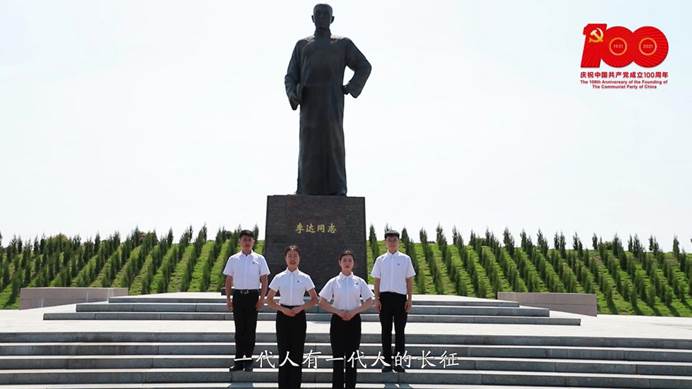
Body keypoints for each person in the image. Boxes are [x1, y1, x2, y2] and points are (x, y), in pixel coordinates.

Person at [284, 3, 372, 196]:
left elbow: (364, 66)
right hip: (309, 106)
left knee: (334, 146)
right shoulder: (302, 45)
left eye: (326, 14)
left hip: (332, 104)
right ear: (312, 18)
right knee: (308, 149)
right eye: (318, 13)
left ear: (332, 19)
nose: (322, 16)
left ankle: (338, 190)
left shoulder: (342, 44)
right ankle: (305, 190)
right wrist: (292, 94)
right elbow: (290, 76)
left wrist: (351, 87)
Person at [319, 250, 374, 389]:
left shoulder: (359, 281)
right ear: (340, 263)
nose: (347, 263)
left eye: (350, 260)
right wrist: (337, 311)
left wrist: (355, 311)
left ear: (353, 263)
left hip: (354, 321)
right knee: (338, 358)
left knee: (352, 359)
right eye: (344, 260)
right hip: (337, 321)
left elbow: (369, 300)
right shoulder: (334, 281)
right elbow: (322, 301)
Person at [266, 245, 319, 389]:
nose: (292, 258)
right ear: (285, 258)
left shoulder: (305, 277)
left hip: (298, 315)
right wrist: (282, 309)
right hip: (283, 316)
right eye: (290, 256)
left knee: (297, 352)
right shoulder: (279, 277)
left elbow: (315, 299)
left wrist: (300, 308)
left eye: (295, 256)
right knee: (283, 352)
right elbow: (269, 299)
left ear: (299, 258)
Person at [223, 229, 270, 372]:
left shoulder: (259, 259)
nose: (247, 242)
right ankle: (238, 361)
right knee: (239, 330)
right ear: (240, 242)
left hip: (252, 297)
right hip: (238, 296)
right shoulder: (233, 259)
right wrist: (228, 299)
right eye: (244, 240)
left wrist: (262, 299)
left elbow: (264, 279)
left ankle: (248, 361)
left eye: (249, 240)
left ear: (253, 242)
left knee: (250, 329)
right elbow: (229, 280)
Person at [371, 229, 415, 373]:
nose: (392, 242)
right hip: (384, 298)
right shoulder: (380, 260)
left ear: (399, 242)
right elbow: (377, 280)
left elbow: (409, 279)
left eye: (394, 240)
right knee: (386, 331)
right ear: (385, 242)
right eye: (389, 240)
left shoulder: (405, 259)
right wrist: (376, 299)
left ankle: (398, 362)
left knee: (400, 331)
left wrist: (410, 298)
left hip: (400, 299)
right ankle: (387, 363)